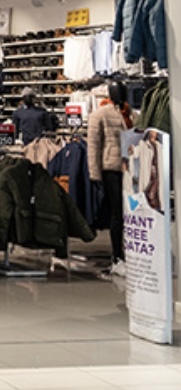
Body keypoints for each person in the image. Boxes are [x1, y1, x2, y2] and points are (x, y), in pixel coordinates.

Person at [87, 80, 132, 277]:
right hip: (111, 168)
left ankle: (129, 253)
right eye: (117, 91)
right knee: (117, 212)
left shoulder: (130, 113)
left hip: (129, 168)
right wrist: (94, 173)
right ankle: (117, 256)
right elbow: (93, 146)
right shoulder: (100, 114)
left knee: (129, 211)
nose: (120, 95)